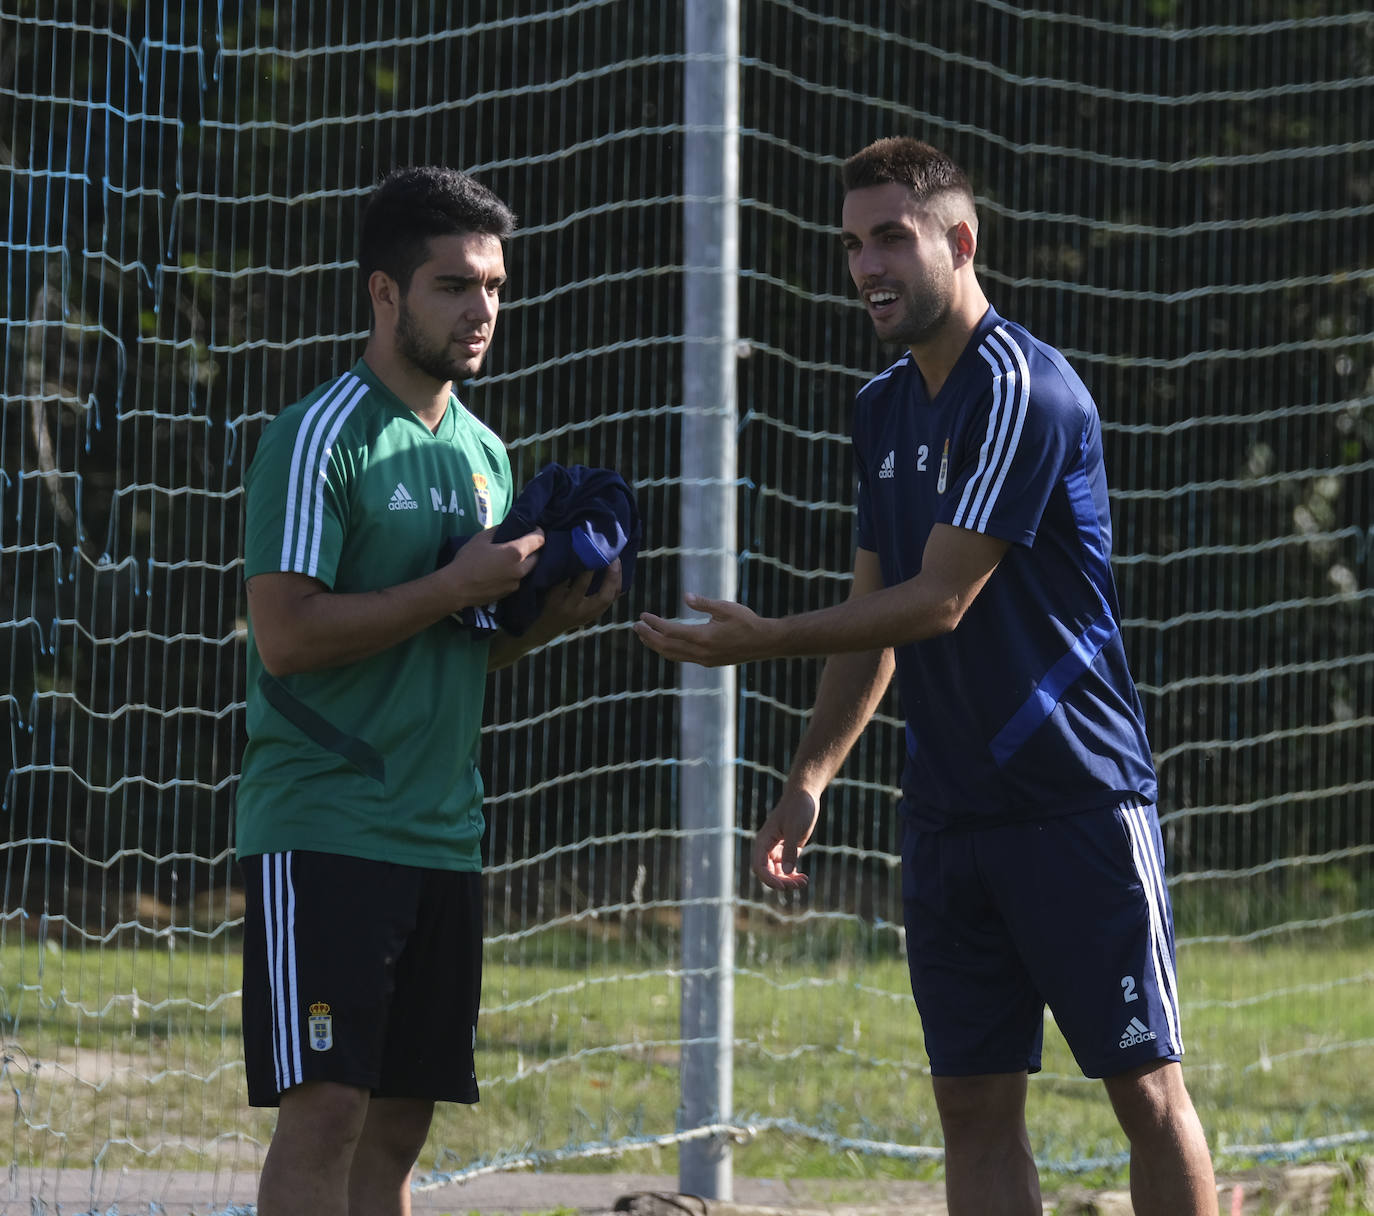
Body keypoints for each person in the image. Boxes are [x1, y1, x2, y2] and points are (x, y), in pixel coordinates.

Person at [634, 137, 1217, 1216]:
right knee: (975, 1112)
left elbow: (942, 596)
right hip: (948, 817)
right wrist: (810, 776)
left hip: (1075, 803)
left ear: (960, 239)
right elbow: (875, 620)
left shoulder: (1021, 390)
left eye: (891, 237)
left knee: (1145, 1090)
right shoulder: (881, 408)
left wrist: (757, 639)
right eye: (853, 244)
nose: (866, 267)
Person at [236, 165, 622, 1216]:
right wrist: (450, 583)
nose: (483, 309)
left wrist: (545, 620)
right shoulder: (321, 435)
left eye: (494, 285)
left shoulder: (485, 454)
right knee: (326, 1111)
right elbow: (285, 637)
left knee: (400, 1124)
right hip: (326, 821)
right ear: (385, 294)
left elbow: (462, 647)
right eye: (455, 285)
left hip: (443, 832)